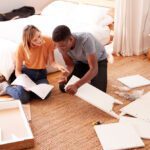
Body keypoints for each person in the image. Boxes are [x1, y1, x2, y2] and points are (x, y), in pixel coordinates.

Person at [0, 25, 67, 104]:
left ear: (40, 32)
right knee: (23, 99)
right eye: (35, 40)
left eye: (39, 36)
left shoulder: (48, 40)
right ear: (29, 41)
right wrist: (25, 84)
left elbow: (52, 62)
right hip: (26, 75)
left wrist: (59, 66)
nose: (39, 40)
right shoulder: (21, 47)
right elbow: (17, 71)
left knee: (45, 95)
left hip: (41, 75)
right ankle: (6, 87)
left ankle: (22, 91)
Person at [52, 25, 107, 95]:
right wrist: (64, 75)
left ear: (71, 39)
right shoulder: (60, 45)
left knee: (99, 91)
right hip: (81, 62)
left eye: (63, 46)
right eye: (58, 47)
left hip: (98, 61)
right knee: (63, 87)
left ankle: (91, 77)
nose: (60, 49)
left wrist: (76, 85)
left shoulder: (86, 39)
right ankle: (88, 77)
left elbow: (93, 68)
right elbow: (70, 65)